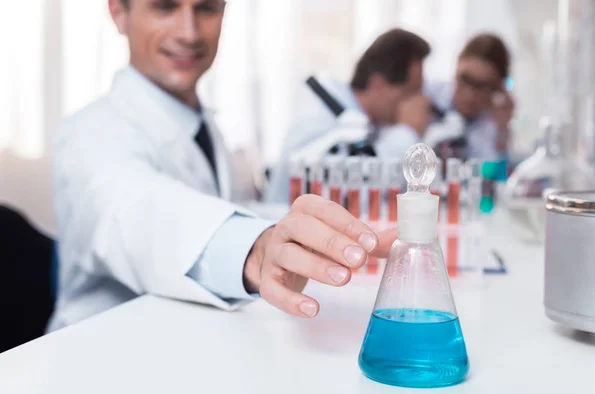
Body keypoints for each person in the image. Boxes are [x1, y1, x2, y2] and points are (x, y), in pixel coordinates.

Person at [48, 0, 395, 332]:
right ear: (118, 12)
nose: (189, 33)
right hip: (98, 362)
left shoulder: (204, 125)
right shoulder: (89, 133)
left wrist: (325, 230)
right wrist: (255, 250)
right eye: (165, 6)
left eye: (206, 8)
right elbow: (135, 212)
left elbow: (232, 208)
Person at [266, 29, 432, 204]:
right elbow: (344, 199)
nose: (416, 102)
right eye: (410, 93)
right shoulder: (322, 118)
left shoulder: (369, 123)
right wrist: (406, 133)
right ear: (378, 86)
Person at [423, 33, 514, 162]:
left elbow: (492, 175)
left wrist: (502, 130)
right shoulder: (426, 96)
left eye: (483, 86)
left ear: (498, 87)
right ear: (456, 67)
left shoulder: (491, 125)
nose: (470, 95)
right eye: (465, 80)